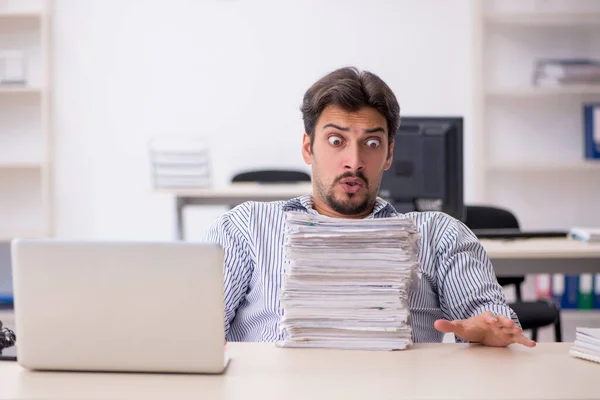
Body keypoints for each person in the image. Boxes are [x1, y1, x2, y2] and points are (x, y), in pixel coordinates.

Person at [205, 67, 536, 348]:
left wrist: (487, 331)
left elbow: (498, 321)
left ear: (389, 155)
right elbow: (197, 331)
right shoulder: (245, 227)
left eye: (372, 143)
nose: (354, 161)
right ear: (308, 148)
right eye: (337, 141)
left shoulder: (437, 233)